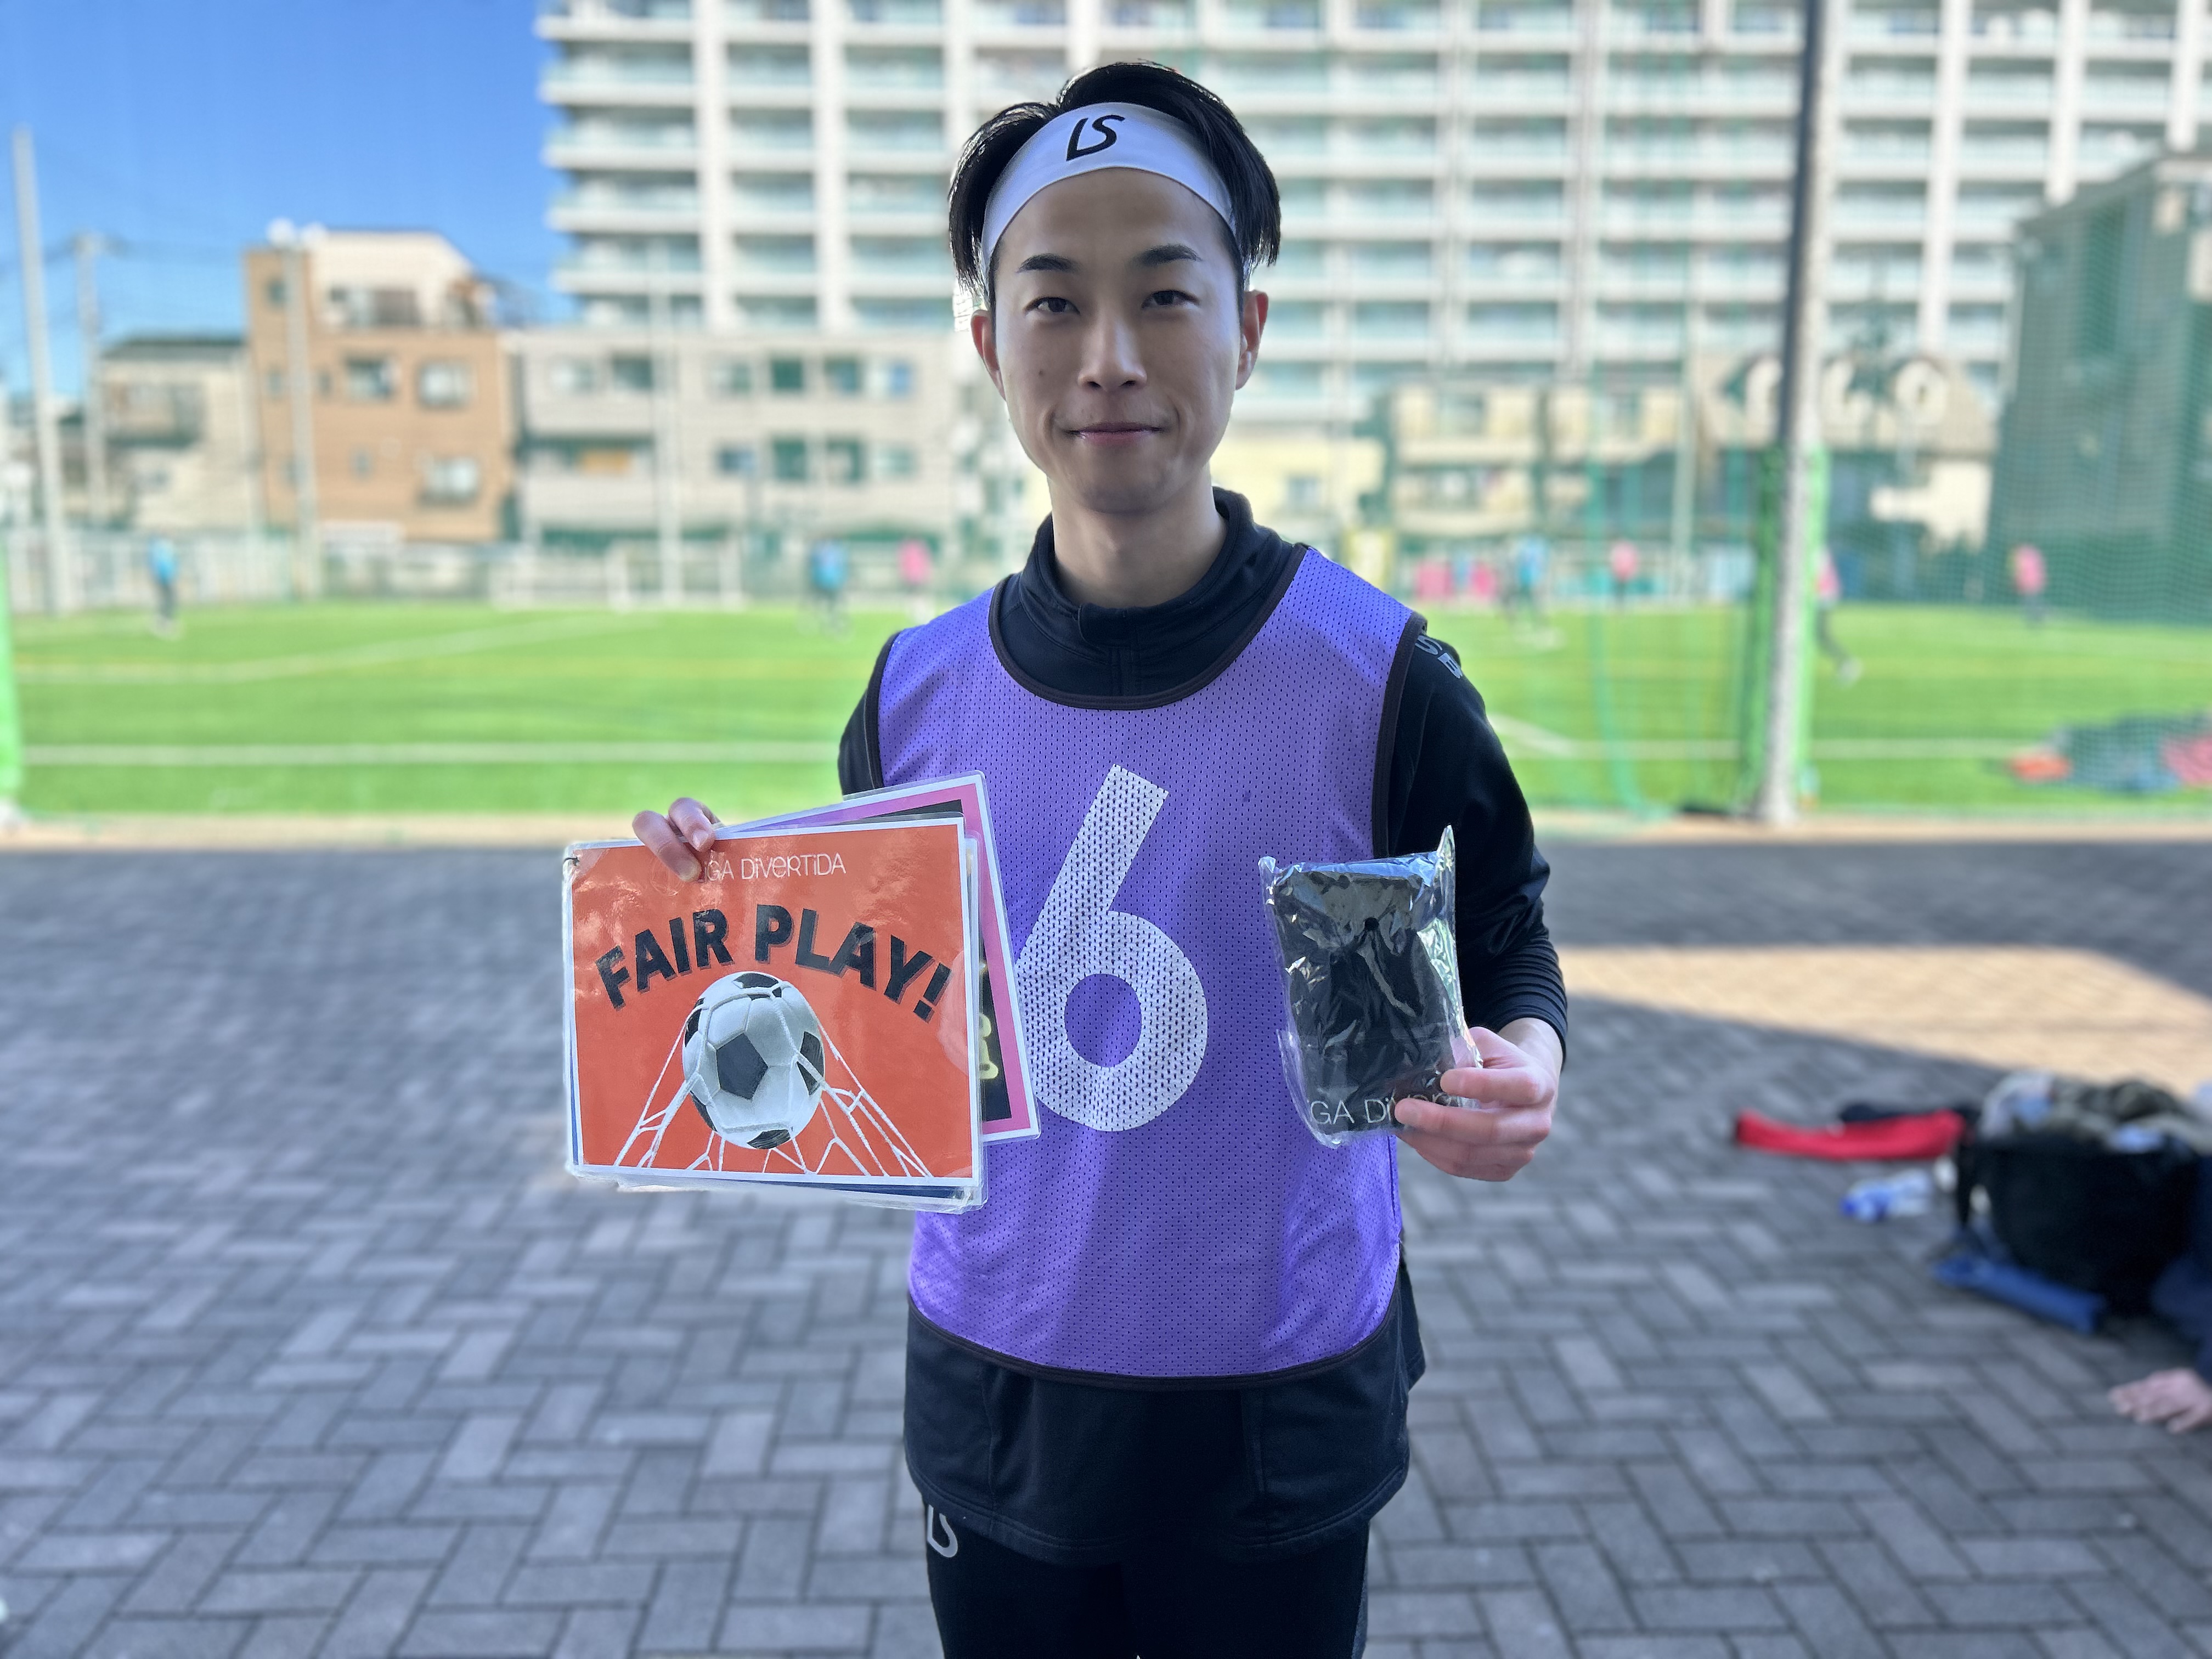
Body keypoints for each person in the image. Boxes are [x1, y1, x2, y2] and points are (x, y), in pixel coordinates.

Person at [635, 63, 1565, 1658]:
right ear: (990, 345)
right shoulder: (913, 693)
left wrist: (1528, 1062)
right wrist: (715, 913)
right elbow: (883, 1025)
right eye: (1055, 301)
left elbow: (1506, 930)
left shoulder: (1380, 674)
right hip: (1001, 1395)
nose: (1110, 357)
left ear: (1246, 330)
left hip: (1280, 1404)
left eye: (1166, 295)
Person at [1814, 545, 1860, 684]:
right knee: (1819, 634)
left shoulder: (1816, 550)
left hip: (1822, 596)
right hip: (1821, 595)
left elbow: (1817, 575)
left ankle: (1847, 662)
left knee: (1821, 634)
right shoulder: (1816, 549)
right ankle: (1845, 662)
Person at [808, 537, 849, 632]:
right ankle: (818, 622)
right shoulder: (820, 552)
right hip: (822, 582)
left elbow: (841, 567)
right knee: (820, 603)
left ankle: (831, 623)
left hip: (832, 582)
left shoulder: (836, 552)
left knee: (832, 604)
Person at [1510, 530, 1548, 625]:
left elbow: (1522, 561)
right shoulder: (1537, 548)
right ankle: (1539, 619)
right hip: (1531, 577)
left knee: (1523, 599)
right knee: (1534, 599)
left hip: (1526, 577)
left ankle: (1516, 617)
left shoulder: (1526, 547)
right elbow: (1539, 562)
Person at [147, 535, 180, 637]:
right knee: (167, 600)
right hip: (164, 577)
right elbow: (160, 564)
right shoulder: (162, 547)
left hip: (166, 577)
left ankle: (165, 620)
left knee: (168, 600)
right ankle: (164, 621)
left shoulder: (165, 547)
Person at [898, 535, 936, 621]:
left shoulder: (911, 548)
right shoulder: (914, 547)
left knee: (918, 594)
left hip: (916, 575)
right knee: (917, 595)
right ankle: (919, 612)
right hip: (915, 575)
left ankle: (920, 612)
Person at [2010, 541, 2047, 627]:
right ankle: (2036, 617)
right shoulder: (2035, 553)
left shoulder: (2021, 555)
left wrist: (2017, 580)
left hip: (2029, 582)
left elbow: (2021, 569)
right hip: (2036, 581)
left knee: (2030, 601)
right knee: (2033, 600)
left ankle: (2037, 617)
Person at [1607, 538, 1638, 607]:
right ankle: (1619, 603)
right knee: (1619, 589)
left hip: (1625, 572)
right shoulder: (1620, 549)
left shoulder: (1625, 550)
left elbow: (1633, 561)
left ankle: (1623, 603)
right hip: (1620, 572)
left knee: (1624, 589)